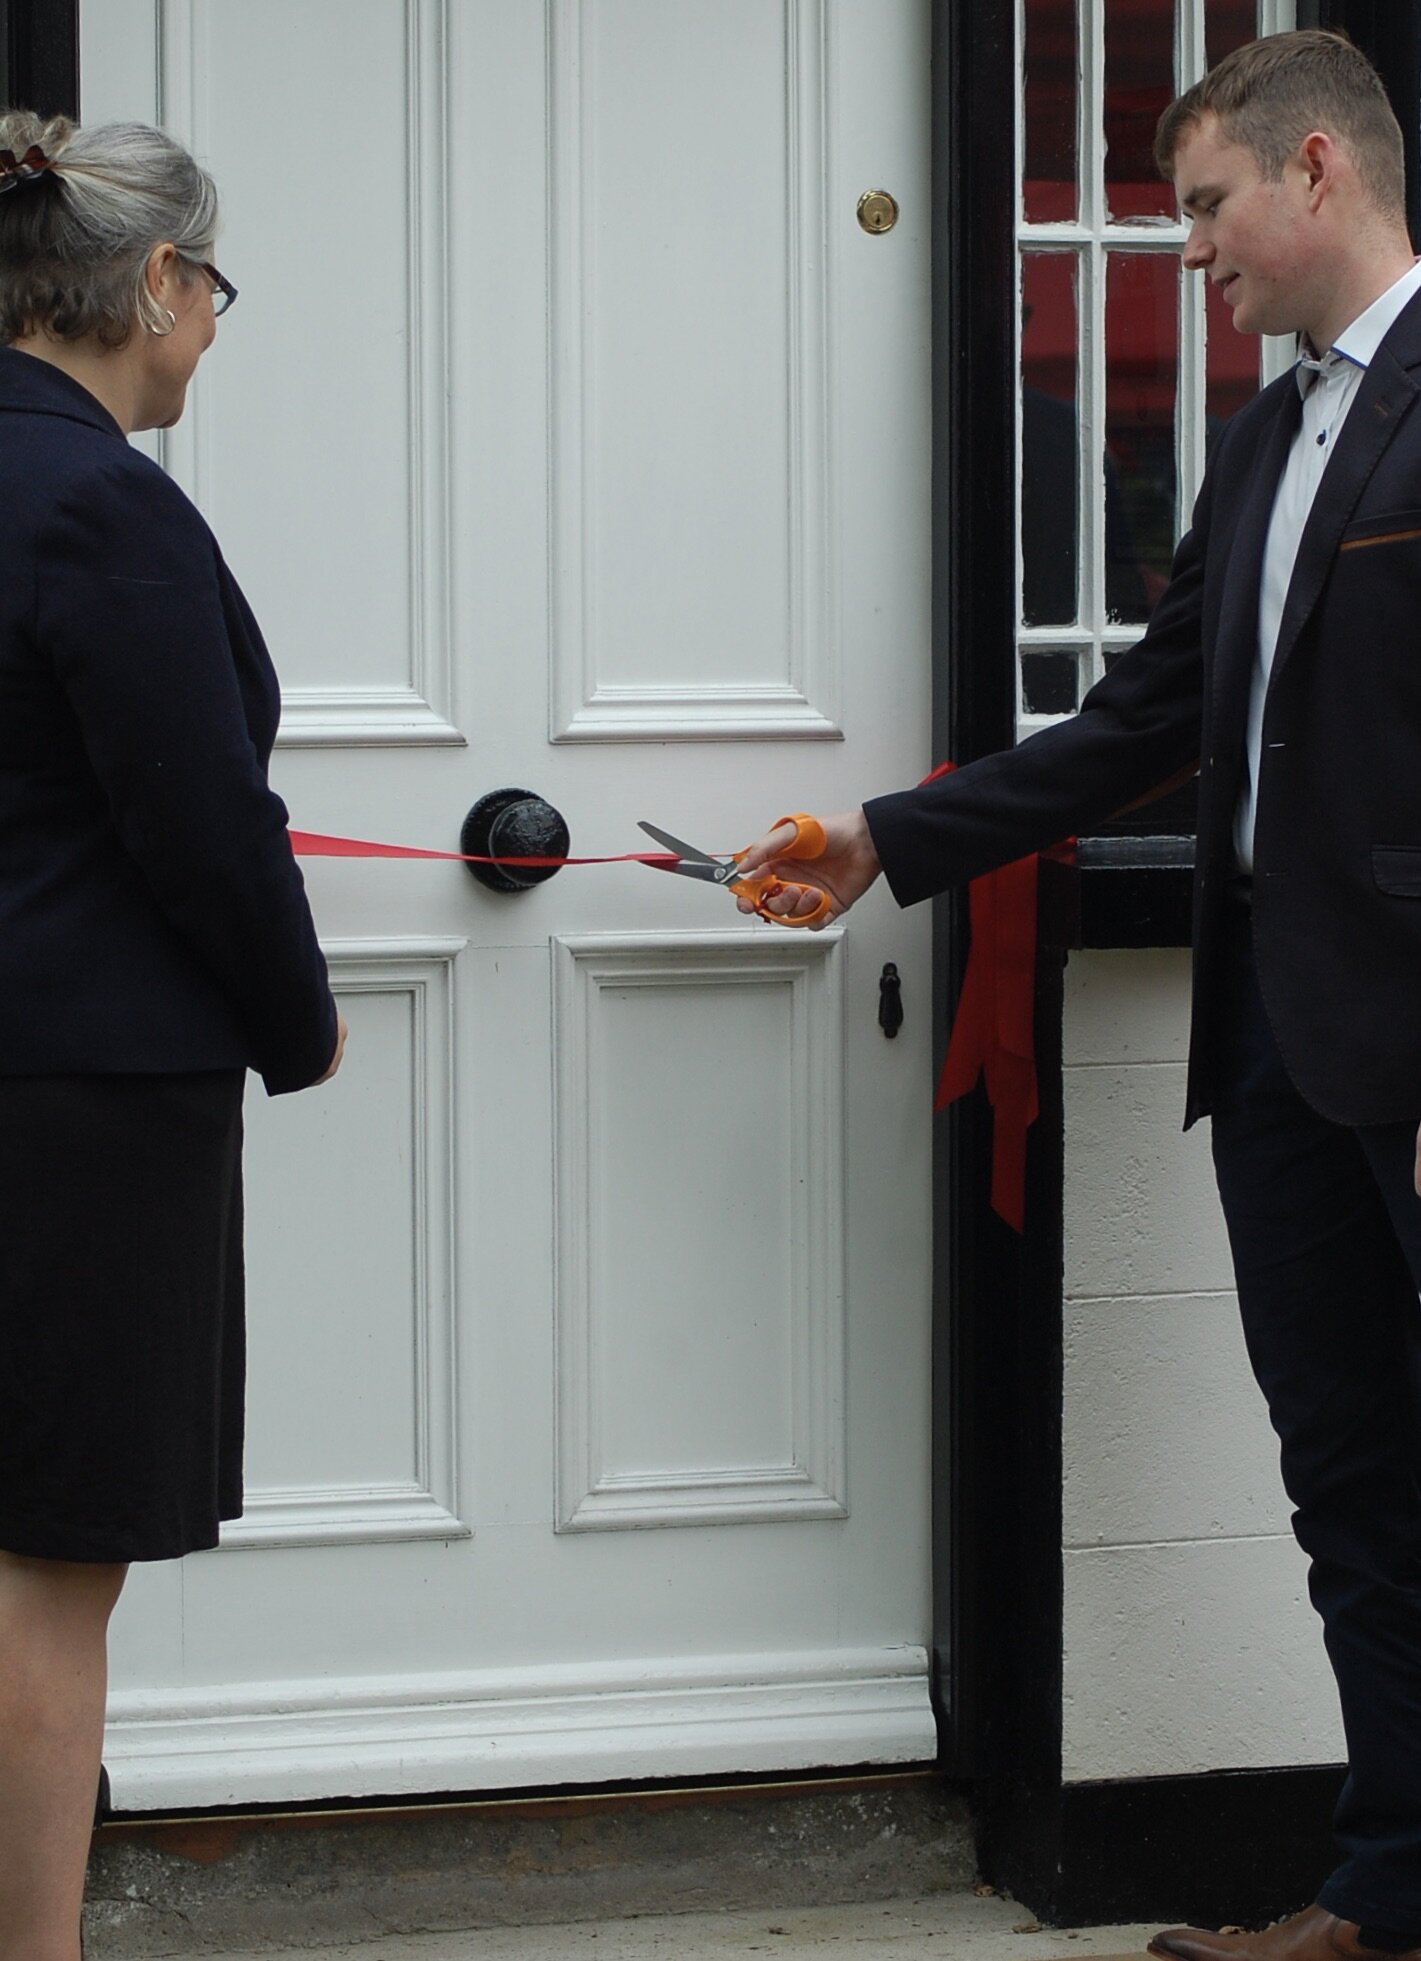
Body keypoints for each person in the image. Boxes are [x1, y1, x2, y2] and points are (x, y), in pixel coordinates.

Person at [739, 29, 1421, 1961]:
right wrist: (889, 839)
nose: (1182, 246)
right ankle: (1387, 1895)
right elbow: (1139, 719)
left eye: (1201, 205)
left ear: (1313, 172)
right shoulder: (1280, 435)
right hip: (1279, 1043)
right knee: (1351, 1484)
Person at [0, 112, 346, 1961]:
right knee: (52, 1566)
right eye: (209, 288)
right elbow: (196, 815)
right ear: (150, 280)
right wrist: (303, 1025)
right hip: (79, 1095)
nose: (211, 327)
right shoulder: (100, 499)